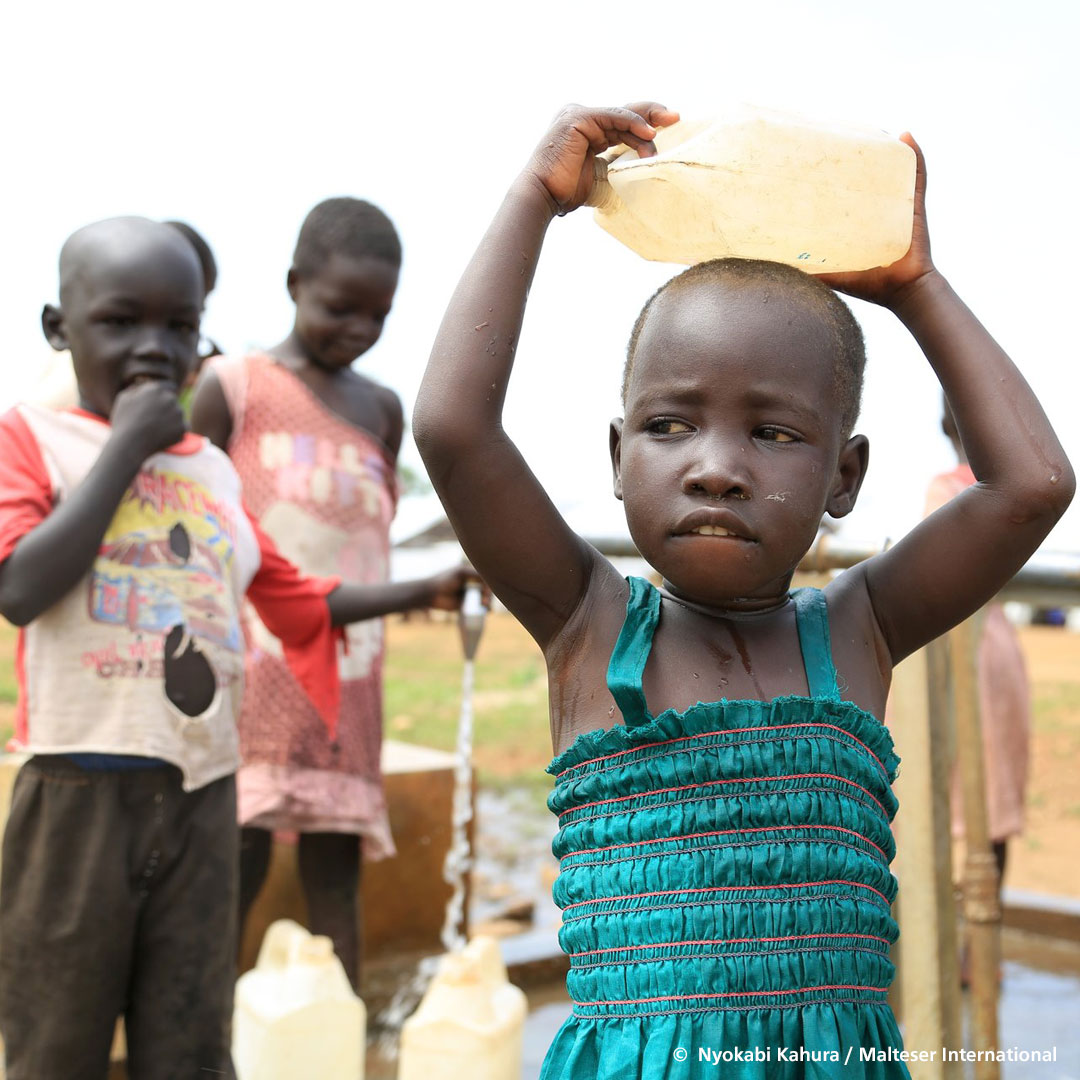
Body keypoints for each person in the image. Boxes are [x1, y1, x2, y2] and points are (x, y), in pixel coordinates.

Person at [412, 103, 1074, 1076]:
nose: (717, 467)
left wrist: (914, 284)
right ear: (617, 453)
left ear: (842, 478)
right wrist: (531, 201)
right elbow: (454, 430)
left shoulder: (860, 629)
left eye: (772, 433)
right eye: (672, 425)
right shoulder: (589, 622)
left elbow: (1034, 485)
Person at [0, 216, 471, 1080]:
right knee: (55, 1043)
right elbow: (20, 588)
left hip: (202, 799)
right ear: (58, 330)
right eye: (119, 322)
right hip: (78, 791)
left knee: (188, 1043)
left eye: (179, 326)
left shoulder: (210, 478)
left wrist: (424, 587)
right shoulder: (33, 438)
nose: (154, 348)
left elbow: (302, 600)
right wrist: (131, 447)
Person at [191, 197, 406, 989]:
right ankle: (205, 1045)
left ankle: (338, 1038)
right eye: (339, 307)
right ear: (293, 284)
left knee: (335, 875)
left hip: (350, 677)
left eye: (377, 314)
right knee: (233, 867)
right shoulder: (234, 387)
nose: (357, 328)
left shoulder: (381, 409)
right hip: (248, 673)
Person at [929, 401, 1031, 965]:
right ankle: (979, 946)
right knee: (992, 791)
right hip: (996, 654)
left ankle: (946, 946)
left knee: (945, 789)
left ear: (946, 428)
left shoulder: (945, 492)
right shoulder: (1014, 501)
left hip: (953, 652)